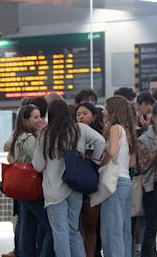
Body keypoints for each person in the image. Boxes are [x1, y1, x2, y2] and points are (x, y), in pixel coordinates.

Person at [32, 100, 105, 257]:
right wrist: (93, 160)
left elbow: (38, 165)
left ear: (49, 115)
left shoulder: (45, 134)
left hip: (54, 190)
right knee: (73, 231)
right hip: (74, 187)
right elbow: (101, 141)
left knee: (60, 233)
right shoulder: (78, 129)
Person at [10, 104, 54, 257]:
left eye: (40, 116)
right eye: (35, 117)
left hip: (23, 189)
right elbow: (40, 159)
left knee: (27, 227)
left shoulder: (19, 137)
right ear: (25, 120)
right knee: (51, 226)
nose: (39, 120)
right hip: (32, 188)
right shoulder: (28, 139)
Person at [100, 96, 137, 257]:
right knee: (124, 229)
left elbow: (112, 152)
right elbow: (132, 163)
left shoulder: (115, 128)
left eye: (106, 107)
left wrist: (100, 163)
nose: (104, 111)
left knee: (111, 230)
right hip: (126, 182)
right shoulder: (129, 130)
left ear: (113, 110)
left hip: (114, 182)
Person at [76, 102, 104, 257]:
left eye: (84, 113)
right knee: (76, 227)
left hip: (93, 185)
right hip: (75, 185)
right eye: (78, 114)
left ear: (94, 116)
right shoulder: (73, 133)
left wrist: (93, 160)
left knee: (90, 225)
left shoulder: (101, 135)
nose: (80, 116)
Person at [137, 103, 157, 257]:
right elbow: (142, 166)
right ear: (154, 118)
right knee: (151, 227)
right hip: (152, 187)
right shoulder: (144, 139)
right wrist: (155, 150)